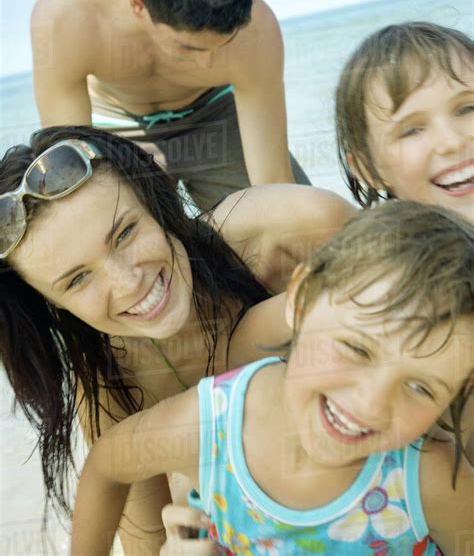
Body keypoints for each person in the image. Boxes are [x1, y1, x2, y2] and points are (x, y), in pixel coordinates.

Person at [0, 125, 353, 554]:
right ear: (54, 308)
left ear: (154, 202)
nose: (128, 282)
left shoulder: (293, 229)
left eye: (126, 233)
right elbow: (146, 545)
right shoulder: (114, 388)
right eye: (77, 279)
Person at [70, 201, 473, 555]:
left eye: (420, 387)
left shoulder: (428, 479)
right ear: (302, 299)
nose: (370, 404)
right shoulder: (212, 426)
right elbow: (107, 465)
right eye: (358, 349)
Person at [30, 0, 310, 212]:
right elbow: (70, 170)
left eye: (223, 44)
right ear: (138, 5)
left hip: (213, 113)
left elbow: (273, 183)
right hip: (115, 124)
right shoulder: (65, 18)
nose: (207, 64)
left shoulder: (255, 29)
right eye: (189, 49)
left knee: (294, 225)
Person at [335, 21, 473, 221]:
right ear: (368, 170)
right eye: (411, 131)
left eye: (468, 109)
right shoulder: (384, 251)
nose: (452, 143)